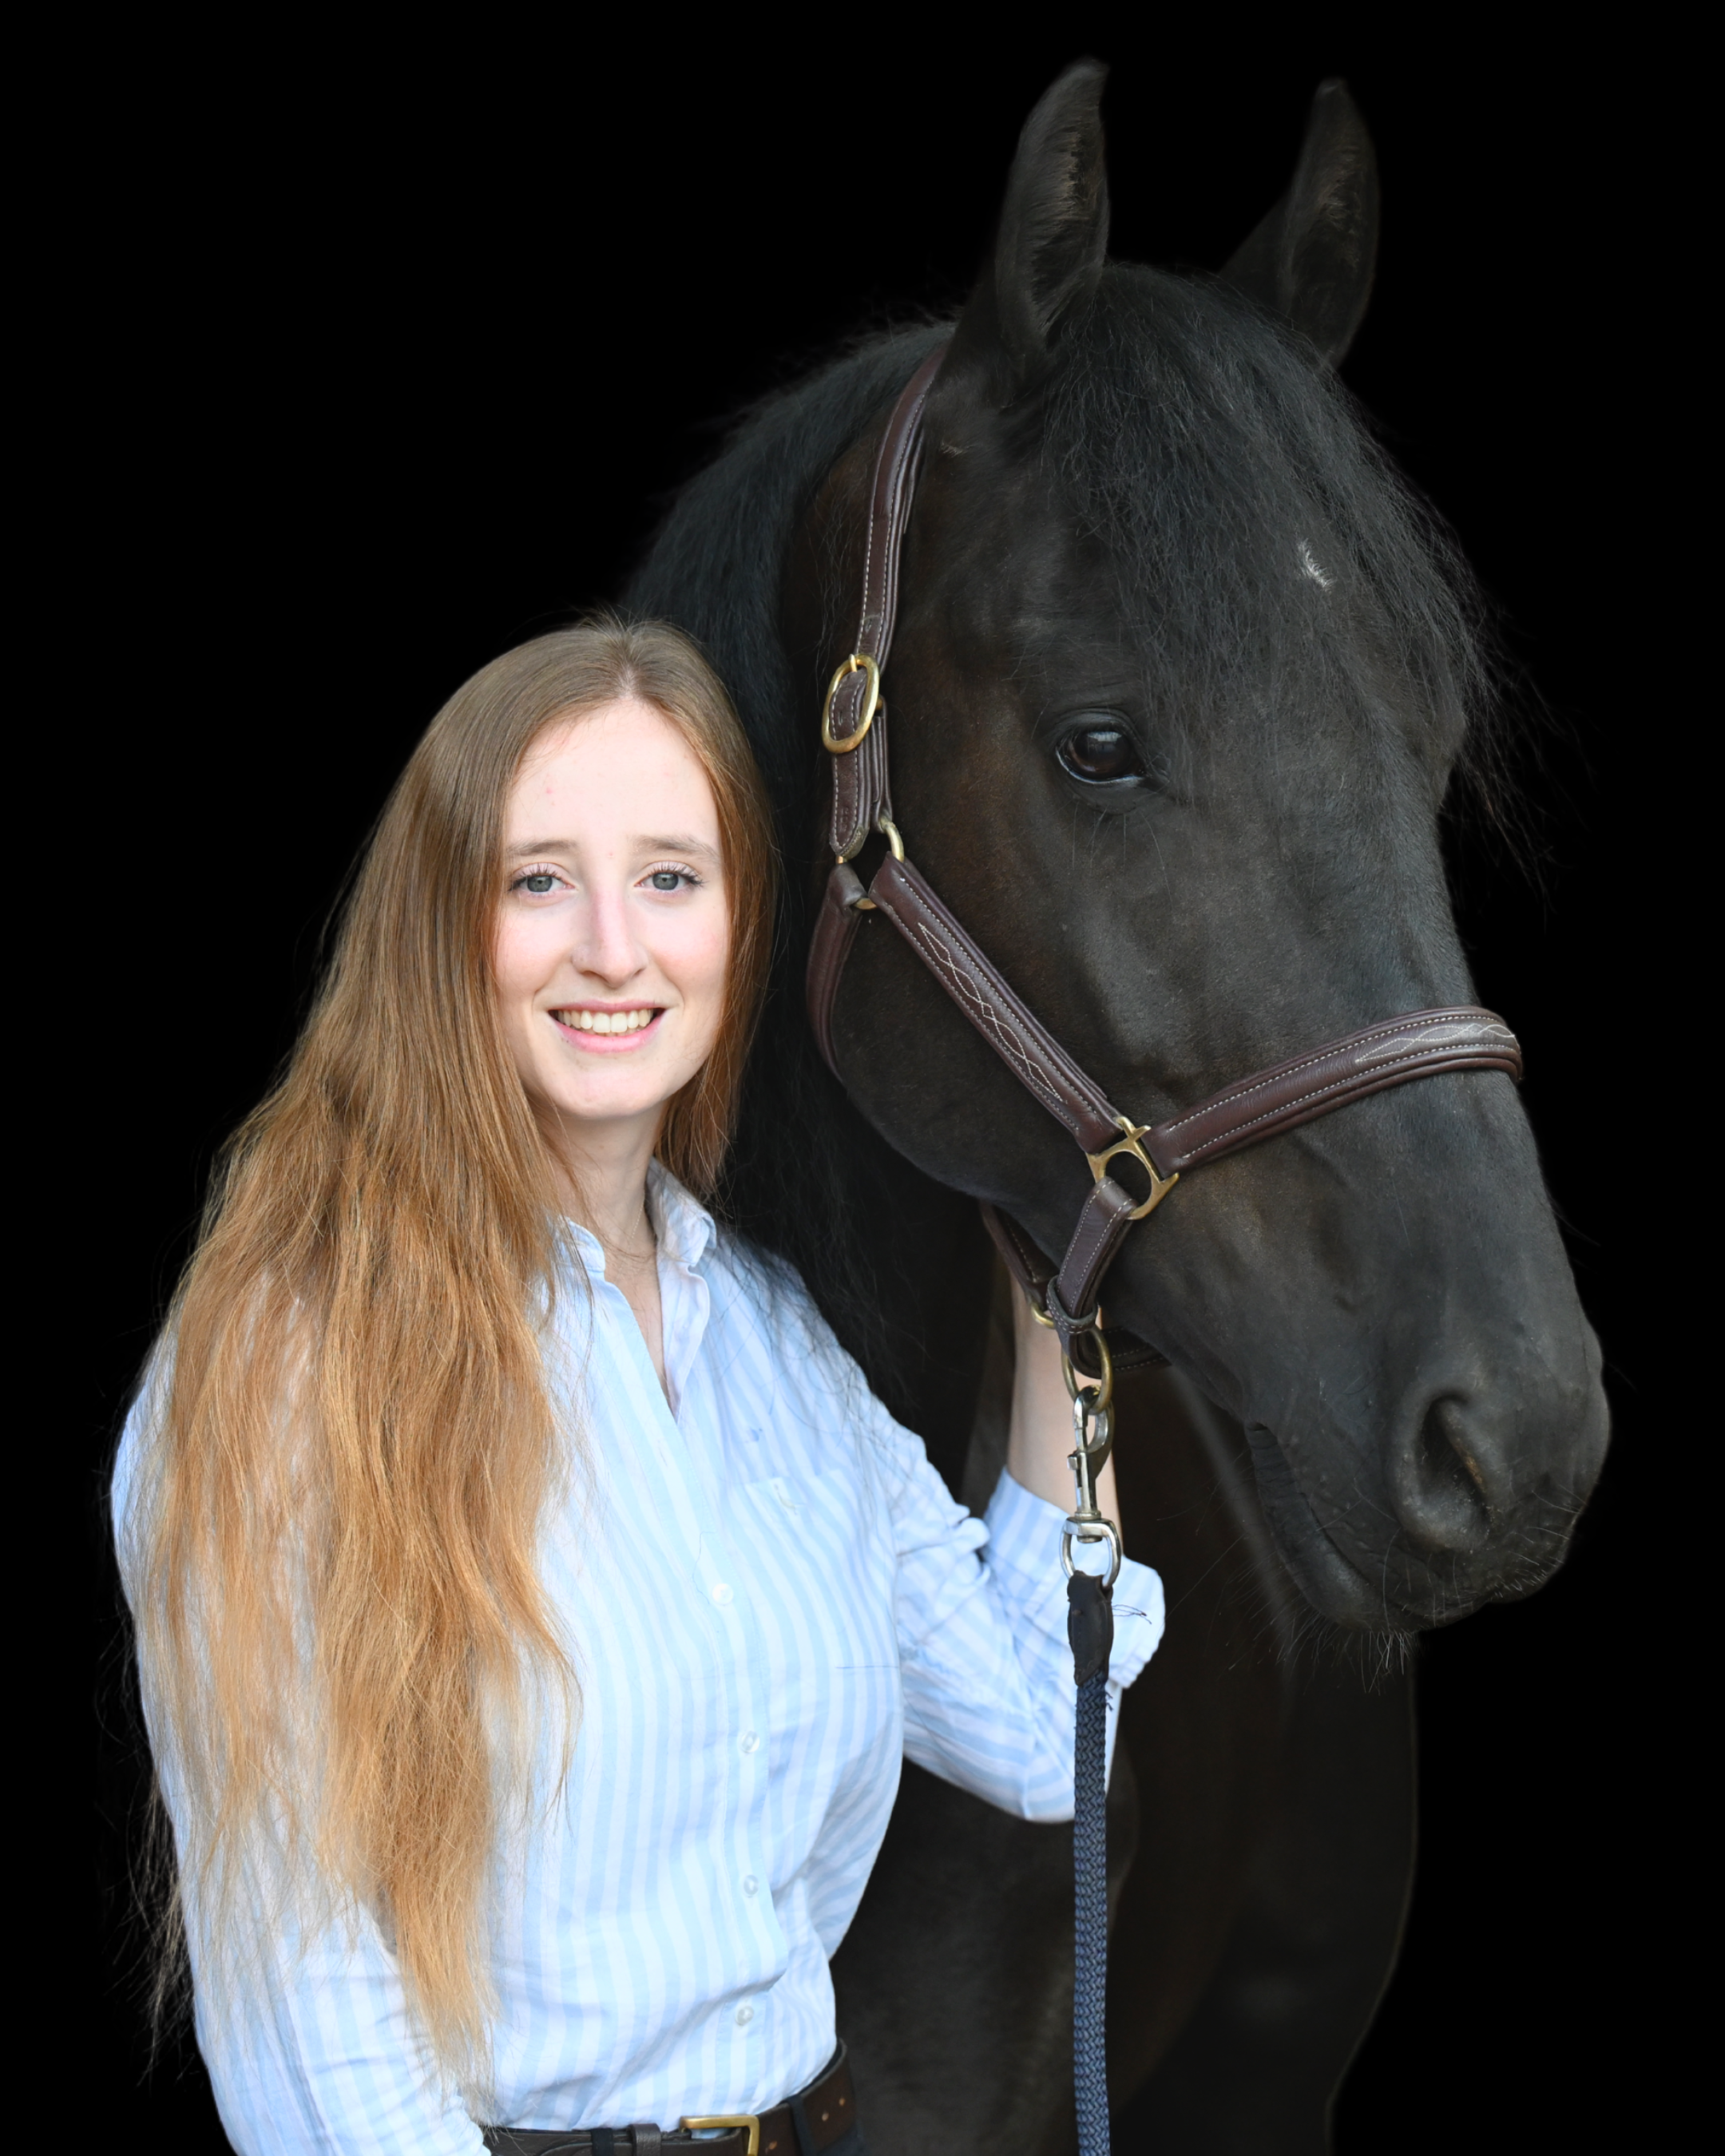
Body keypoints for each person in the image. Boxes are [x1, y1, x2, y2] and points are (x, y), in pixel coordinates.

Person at [113, 617, 1165, 2154]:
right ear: (441, 925)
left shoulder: (771, 1345)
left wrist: (1049, 1288)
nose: (616, 943)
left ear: (739, 926)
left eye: (672, 876)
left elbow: (1031, 1719)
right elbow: (311, 2014)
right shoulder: (292, 1363)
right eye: (540, 879)